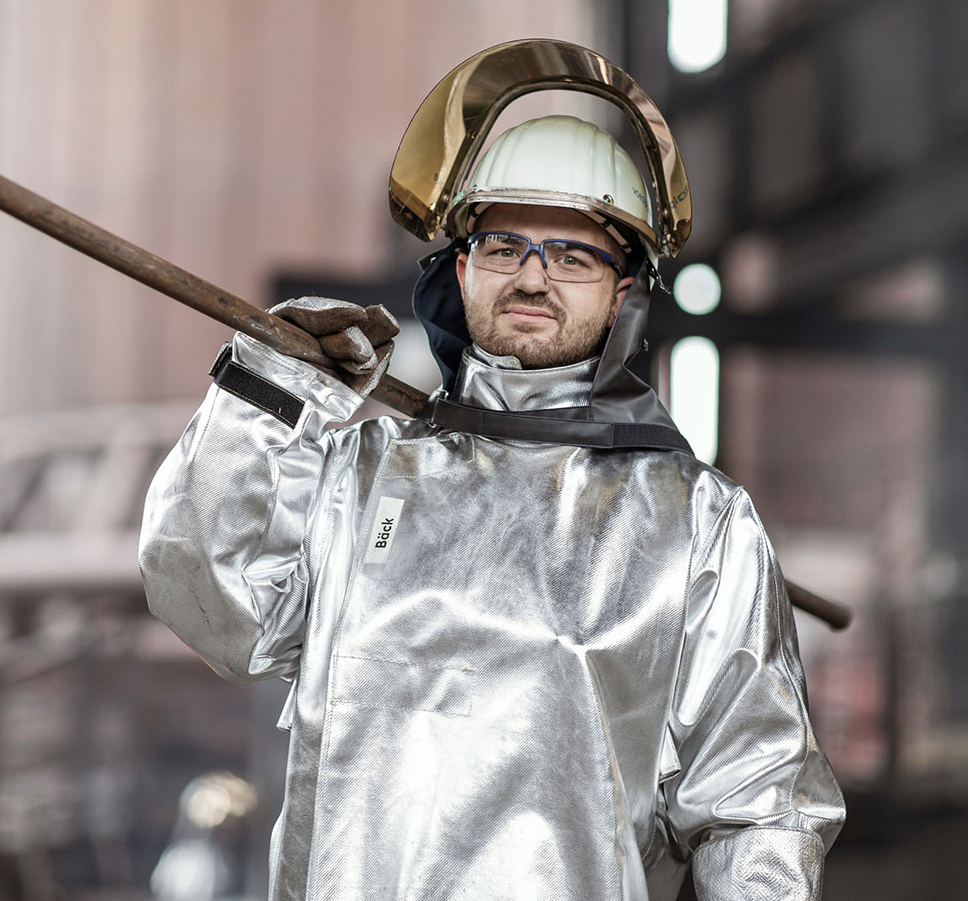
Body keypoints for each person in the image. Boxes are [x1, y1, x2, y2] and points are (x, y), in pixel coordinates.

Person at [139, 94, 845, 897]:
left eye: (573, 257)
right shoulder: (354, 476)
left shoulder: (696, 524)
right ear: (463, 267)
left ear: (621, 295)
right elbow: (208, 601)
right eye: (504, 246)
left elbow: (758, 807)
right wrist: (268, 393)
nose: (534, 276)